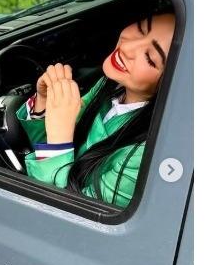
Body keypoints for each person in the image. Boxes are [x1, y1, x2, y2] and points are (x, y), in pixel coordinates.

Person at [16, 11, 176, 207]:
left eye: (150, 58)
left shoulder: (146, 154)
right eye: (141, 29)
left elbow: (70, 212)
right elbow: (50, 143)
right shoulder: (110, 85)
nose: (128, 47)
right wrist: (44, 103)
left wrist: (60, 138)